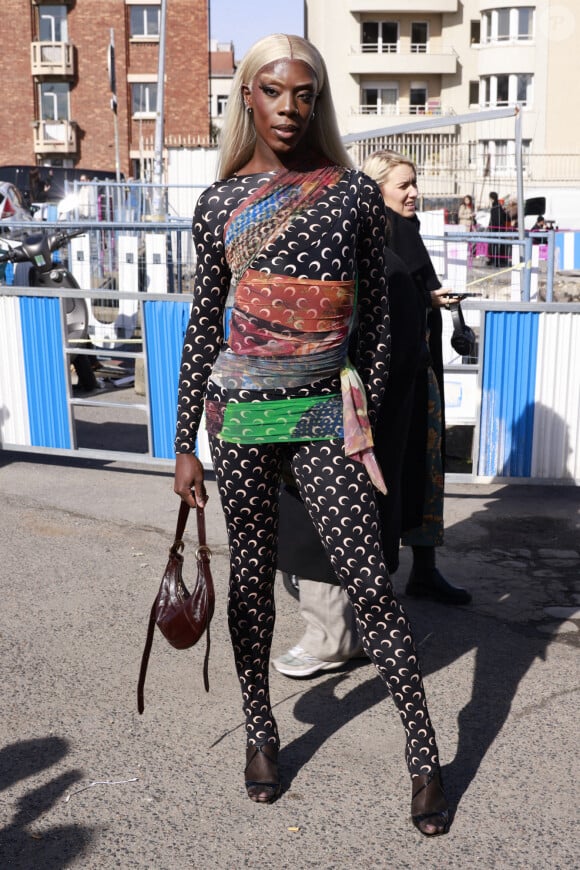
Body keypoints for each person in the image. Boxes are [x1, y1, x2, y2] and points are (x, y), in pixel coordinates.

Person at [173, 33, 449, 835]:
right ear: (247, 99)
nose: (289, 108)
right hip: (244, 416)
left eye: (304, 94)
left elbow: (377, 324)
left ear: (318, 102)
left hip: (325, 412)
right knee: (253, 578)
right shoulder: (219, 204)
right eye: (272, 91)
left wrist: (362, 409)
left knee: (370, 578)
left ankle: (424, 758)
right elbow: (202, 327)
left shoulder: (355, 197)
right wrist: (184, 443)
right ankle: (262, 734)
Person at [273, 150, 471, 678]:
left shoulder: (388, 250)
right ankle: (345, 631)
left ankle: (341, 634)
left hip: (369, 400)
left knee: (358, 509)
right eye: (402, 184)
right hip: (349, 399)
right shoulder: (365, 249)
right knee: (339, 514)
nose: (413, 195)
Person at [487, 191, 508, 267]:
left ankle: (495, 260)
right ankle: (497, 260)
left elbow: (495, 218)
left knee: (494, 244)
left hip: (496, 228)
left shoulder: (495, 207)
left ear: (491, 198)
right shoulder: (498, 206)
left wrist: (492, 226)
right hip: (499, 228)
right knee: (498, 244)